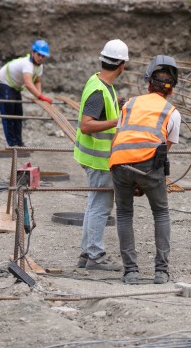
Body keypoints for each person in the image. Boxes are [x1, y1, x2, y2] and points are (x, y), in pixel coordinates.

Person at [109, 55, 182, 285]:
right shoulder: (172, 112)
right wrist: (144, 180)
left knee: (123, 213)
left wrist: (132, 179)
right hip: (148, 165)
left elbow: (121, 135)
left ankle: (130, 272)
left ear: (147, 83)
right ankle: (161, 272)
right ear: (171, 90)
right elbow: (162, 150)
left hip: (118, 161)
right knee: (160, 212)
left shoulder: (129, 103)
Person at [74, 39, 129, 271]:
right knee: (100, 207)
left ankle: (87, 253)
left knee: (94, 205)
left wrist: (117, 105)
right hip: (98, 159)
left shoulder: (100, 83)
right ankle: (96, 255)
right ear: (121, 66)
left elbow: (98, 111)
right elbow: (86, 125)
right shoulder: (99, 90)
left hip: (93, 157)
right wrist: (117, 121)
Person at [0, 40, 52, 147]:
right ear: (33, 53)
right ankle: (12, 144)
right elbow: (29, 84)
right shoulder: (27, 64)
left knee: (18, 115)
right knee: (8, 115)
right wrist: (40, 96)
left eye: (43, 56)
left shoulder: (39, 66)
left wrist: (39, 95)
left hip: (14, 87)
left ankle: (19, 143)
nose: (41, 58)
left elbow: (37, 81)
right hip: (3, 84)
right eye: (39, 55)